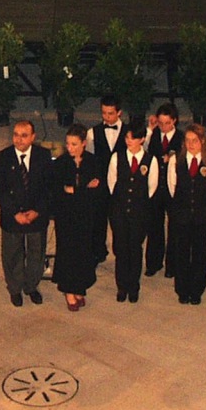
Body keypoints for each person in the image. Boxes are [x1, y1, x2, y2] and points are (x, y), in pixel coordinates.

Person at [0, 119, 53, 306]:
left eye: (24, 135)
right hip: (13, 217)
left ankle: (31, 286)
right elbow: (0, 190)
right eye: (16, 135)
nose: (19, 140)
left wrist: (37, 211)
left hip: (36, 216)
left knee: (36, 253)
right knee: (12, 254)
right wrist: (14, 213)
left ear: (33, 137)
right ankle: (15, 288)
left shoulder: (43, 156)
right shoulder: (3, 157)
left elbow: (49, 188)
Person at [166, 124, 206, 304]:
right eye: (187, 141)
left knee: (199, 254)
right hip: (181, 215)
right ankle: (182, 290)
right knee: (181, 253)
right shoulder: (176, 160)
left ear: (202, 141)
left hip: (202, 215)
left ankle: (197, 290)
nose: (191, 144)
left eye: (195, 141)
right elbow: (172, 187)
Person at [52, 126, 105, 310]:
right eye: (68, 144)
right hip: (65, 216)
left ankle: (80, 287)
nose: (70, 148)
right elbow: (57, 191)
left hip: (86, 215)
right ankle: (68, 290)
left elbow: (97, 191)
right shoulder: (60, 163)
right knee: (67, 252)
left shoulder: (93, 162)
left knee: (83, 251)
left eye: (74, 144)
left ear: (84, 143)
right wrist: (82, 189)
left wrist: (74, 190)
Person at [107, 123, 157, 303]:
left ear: (142, 139)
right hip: (119, 211)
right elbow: (112, 183)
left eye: (133, 138)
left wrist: (138, 203)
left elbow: (152, 187)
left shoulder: (150, 160)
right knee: (121, 249)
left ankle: (134, 286)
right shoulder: (117, 157)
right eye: (127, 138)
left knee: (135, 249)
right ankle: (122, 286)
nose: (129, 141)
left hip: (139, 213)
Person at [85, 95, 126, 262]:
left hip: (121, 185)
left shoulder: (128, 132)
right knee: (98, 221)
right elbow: (89, 159)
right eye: (104, 113)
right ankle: (98, 253)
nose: (107, 117)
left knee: (120, 223)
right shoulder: (92, 133)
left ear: (119, 112)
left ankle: (121, 253)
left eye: (110, 113)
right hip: (100, 184)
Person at [145, 104, 182, 277]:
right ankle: (153, 262)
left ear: (174, 121)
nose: (163, 126)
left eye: (167, 123)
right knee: (154, 226)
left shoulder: (181, 138)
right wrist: (150, 129)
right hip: (156, 187)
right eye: (160, 123)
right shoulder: (153, 135)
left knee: (174, 228)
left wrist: (174, 158)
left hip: (173, 189)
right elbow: (142, 149)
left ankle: (172, 265)